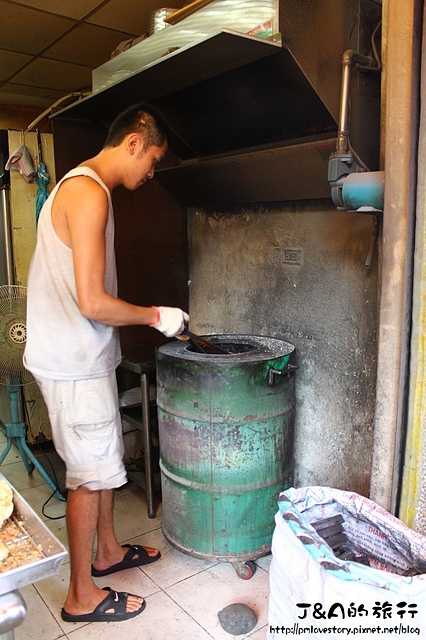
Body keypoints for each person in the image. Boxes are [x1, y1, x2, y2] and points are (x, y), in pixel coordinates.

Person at [23, 103, 189, 623]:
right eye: (154, 158)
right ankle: (80, 596)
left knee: (101, 461)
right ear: (135, 141)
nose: (152, 171)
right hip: (73, 362)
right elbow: (92, 303)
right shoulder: (89, 192)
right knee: (88, 476)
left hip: (79, 355)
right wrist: (156, 314)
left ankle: (109, 553)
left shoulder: (84, 187)